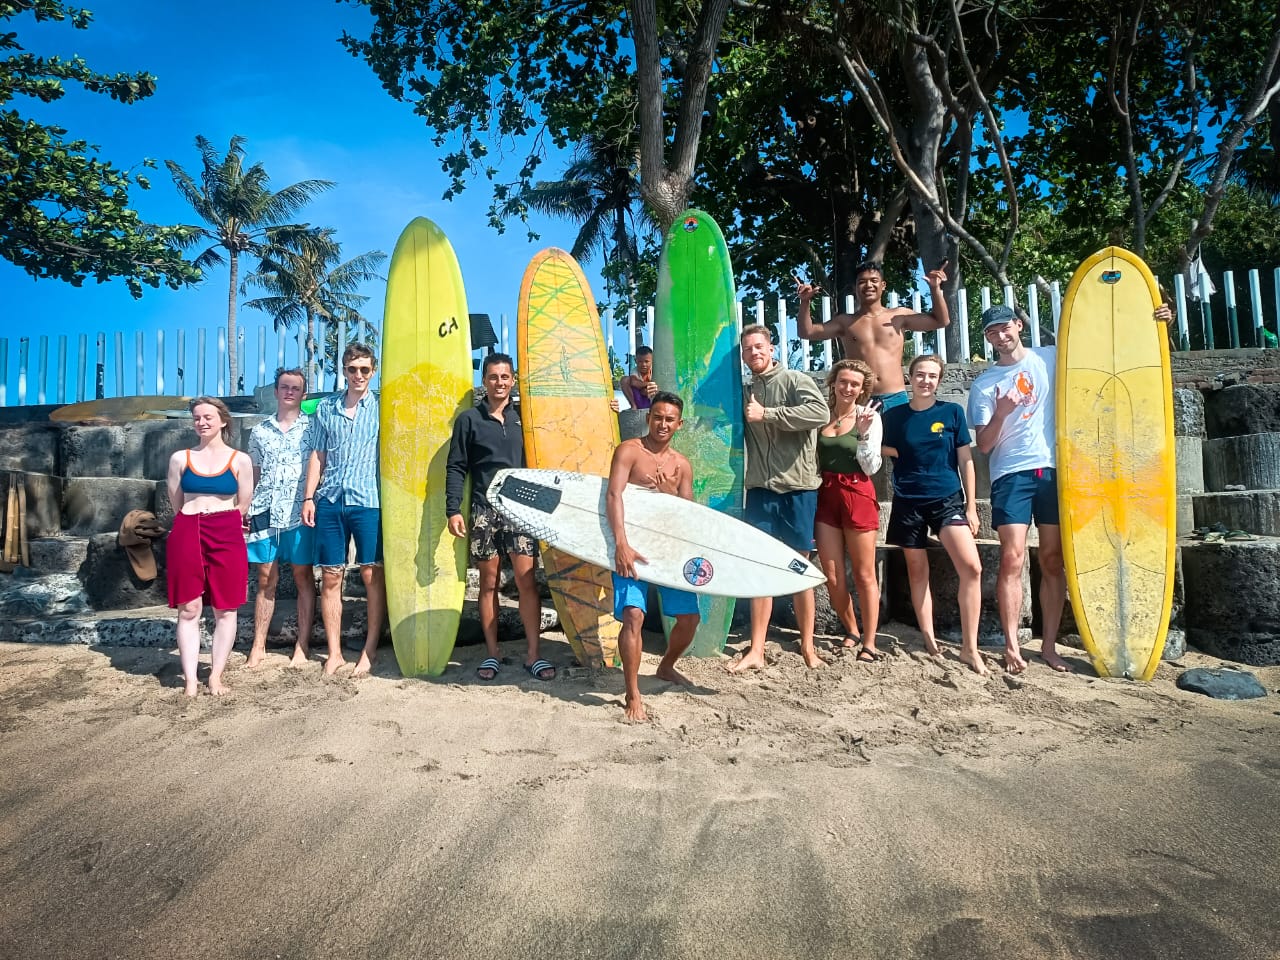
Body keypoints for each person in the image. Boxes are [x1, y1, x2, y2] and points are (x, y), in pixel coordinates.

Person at [968, 302, 1174, 674]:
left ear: (1018, 325)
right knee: (1012, 557)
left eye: (1004, 328)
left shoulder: (1051, 357)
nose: (1000, 336)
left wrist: (1153, 322)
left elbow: (1106, 348)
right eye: (991, 333)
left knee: (1052, 559)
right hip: (1011, 474)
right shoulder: (985, 383)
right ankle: (1012, 646)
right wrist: (1001, 413)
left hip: (1055, 471)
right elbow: (983, 445)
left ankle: (1048, 646)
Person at [446, 352, 553, 682]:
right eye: (493, 377)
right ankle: (492, 654)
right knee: (489, 584)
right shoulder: (469, 420)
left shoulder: (525, 417)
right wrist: (452, 510)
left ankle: (533, 655)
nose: (499, 383)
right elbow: (456, 466)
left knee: (526, 583)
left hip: (520, 509)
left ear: (513, 380)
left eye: (505, 377)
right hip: (483, 511)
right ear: (484, 380)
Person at [881, 354, 989, 676]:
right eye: (920, 375)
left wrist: (971, 506)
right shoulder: (894, 416)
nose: (926, 381)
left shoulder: (952, 412)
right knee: (917, 573)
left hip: (947, 501)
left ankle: (970, 647)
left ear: (939, 380)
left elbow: (965, 462)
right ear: (909, 378)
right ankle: (928, 636)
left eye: (932, 376)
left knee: (972, 567)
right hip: (907, 502)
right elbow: (875, 445)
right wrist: (893, 451)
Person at [730, 324, 830, 672]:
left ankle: (808, 645)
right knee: (761, 566)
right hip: (760, 489)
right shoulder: (743, 391)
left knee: (798, 567)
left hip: (798, 488)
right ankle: (756, 649)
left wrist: (768, 414)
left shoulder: (795, 380)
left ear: (771, 348)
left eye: (759, 346)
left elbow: (820, 414)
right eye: (747, 349)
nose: (753, 353)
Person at [606, 391, 700, 720]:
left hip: (667, 548)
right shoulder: (629, 451)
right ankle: (633, 693)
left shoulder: (682, 465)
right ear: (648, 417)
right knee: (634, 615)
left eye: (669, 419)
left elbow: (687, 515)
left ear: (679, 424)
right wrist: (621, 543)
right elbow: (614, 494)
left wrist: (665, 494)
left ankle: (666, 666)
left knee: (690, 620)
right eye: (657, 417)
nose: (662, 424)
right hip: (631, 545)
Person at [301, 343, 384, 677]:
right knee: (331, 576)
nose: (358, 375)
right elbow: (317, 455)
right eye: (352, 369)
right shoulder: (326, 408)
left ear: (373, 371)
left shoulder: (382, 406)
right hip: (331, 499)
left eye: (364, 369)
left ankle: (369, 649)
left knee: (370, 574)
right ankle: (334, 653)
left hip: (368, 499)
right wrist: (309, 498)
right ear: (344, 370)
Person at [165, 396, 253, 696]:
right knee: (188, 608)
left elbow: (243, 504)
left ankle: (215, 676)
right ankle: (190, 680)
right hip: (188, 528)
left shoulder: (240, 460)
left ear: (223, 421)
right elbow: (176, 501)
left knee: (225, 608)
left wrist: (223, 522)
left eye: (208, 417)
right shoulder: (180, 458)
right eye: (197, 418)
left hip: (226, 530)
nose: (202, 422)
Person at [795, 260, 950, 411]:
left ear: (883, 286)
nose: (868, 285)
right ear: (855, 287)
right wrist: (805, 302)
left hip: (895, 398)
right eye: (862, 281)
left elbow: (940, 321)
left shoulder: (898, 316)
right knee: (861, 438)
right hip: (860, 399)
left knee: (897, 438)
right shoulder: (845, 322)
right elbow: (807, 332)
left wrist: (935, 289)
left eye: (874, 280)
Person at [244, 367, 316, 669]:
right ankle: (258, 645)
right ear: (276, 391)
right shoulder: (260, 431)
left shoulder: (313, 429)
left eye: (295, 388)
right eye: (284, 387)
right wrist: (244, 506)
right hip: (265, 511)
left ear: (303, 393)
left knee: (302, 577)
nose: (289, 392)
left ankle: (302, 645)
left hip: (299, 512)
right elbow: (253, 472)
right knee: (265, 579)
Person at [814, 358, 884, 661]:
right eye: (843, 381)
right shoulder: (822, 416)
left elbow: (872, 467)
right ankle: (852, 630)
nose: (848, 387)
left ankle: (870, 641)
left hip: (857, 492)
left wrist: (865, 433)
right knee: (831, 574)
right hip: (826, 494)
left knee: (865, 573)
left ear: (862, 389)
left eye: (855, 384)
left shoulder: (868, 417)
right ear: (834, 383)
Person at [618, 345, 658, 411]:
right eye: (640, 362)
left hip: (652, 400)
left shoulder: (655, 370)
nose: (643, 364)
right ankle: (633, 406)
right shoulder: (635, 370)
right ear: (636, 361)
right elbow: (634, 382)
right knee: (624, 380)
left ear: (652, 360)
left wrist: (647, 387)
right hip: (639, 399)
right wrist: (648, 384)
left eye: (646, 361)